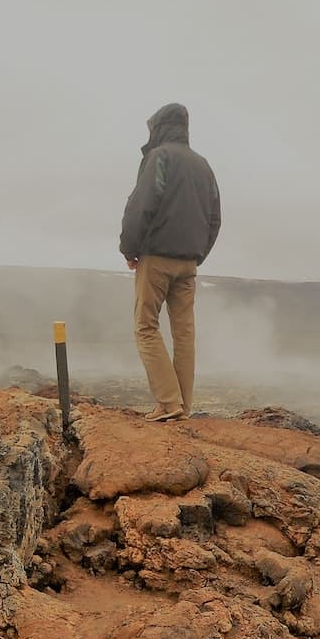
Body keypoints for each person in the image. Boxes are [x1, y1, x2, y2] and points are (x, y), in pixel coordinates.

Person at [119, 102, 221, 421]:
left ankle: (168, 402)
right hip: (189, 264)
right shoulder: (203, 166)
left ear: (160, 128)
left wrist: (129, 249)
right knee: (184, 335)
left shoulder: (159, 157)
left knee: (146, 326)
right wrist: (198, 254)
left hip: (157, 257)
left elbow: (142, 205)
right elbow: (215, 218)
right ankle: (183, 406)